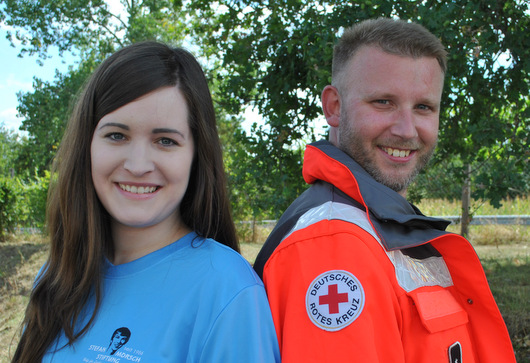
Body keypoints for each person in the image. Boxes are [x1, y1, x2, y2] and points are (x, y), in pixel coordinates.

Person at [254, 18, 516, 362]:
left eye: (423, 107)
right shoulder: (333, 244)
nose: (407, 130)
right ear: (334, 107)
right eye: (383, 102)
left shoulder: (380, 225)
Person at [12, 41, 280, 363]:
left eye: (165, 141)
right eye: (117, 135)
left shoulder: (227, 291)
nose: (138, 165)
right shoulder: (57, 274)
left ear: (196, 155)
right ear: (88, 145)